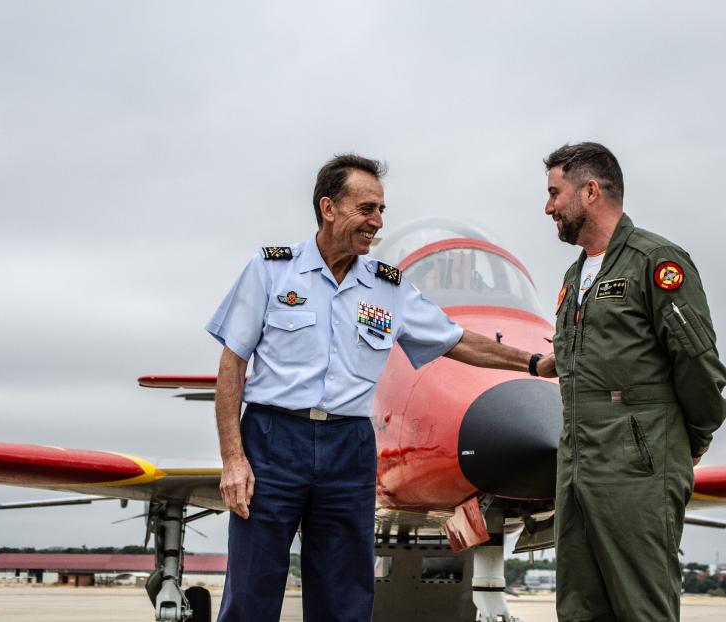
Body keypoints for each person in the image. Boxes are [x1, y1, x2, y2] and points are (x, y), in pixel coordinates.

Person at [206, 153, 555, 622]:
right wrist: (233, 457)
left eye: (382, 211)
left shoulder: (388, 288)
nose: (377, 222)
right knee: (251, 591)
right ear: (329, 208)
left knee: (345, 595)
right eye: (367, 209)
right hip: (273, 439)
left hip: (348, 446)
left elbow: (456, 341)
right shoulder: (271, 270)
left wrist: (534, 362)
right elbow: (232, 365)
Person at [543, 142, 726, 622]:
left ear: (589, 192)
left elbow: (697, 361)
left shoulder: (656, 261)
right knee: (579, 606)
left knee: (641, 605)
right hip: (577, 462)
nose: (548, 208)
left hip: (638, 461)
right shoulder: (575, 275)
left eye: (554, 194)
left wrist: (695, 437)